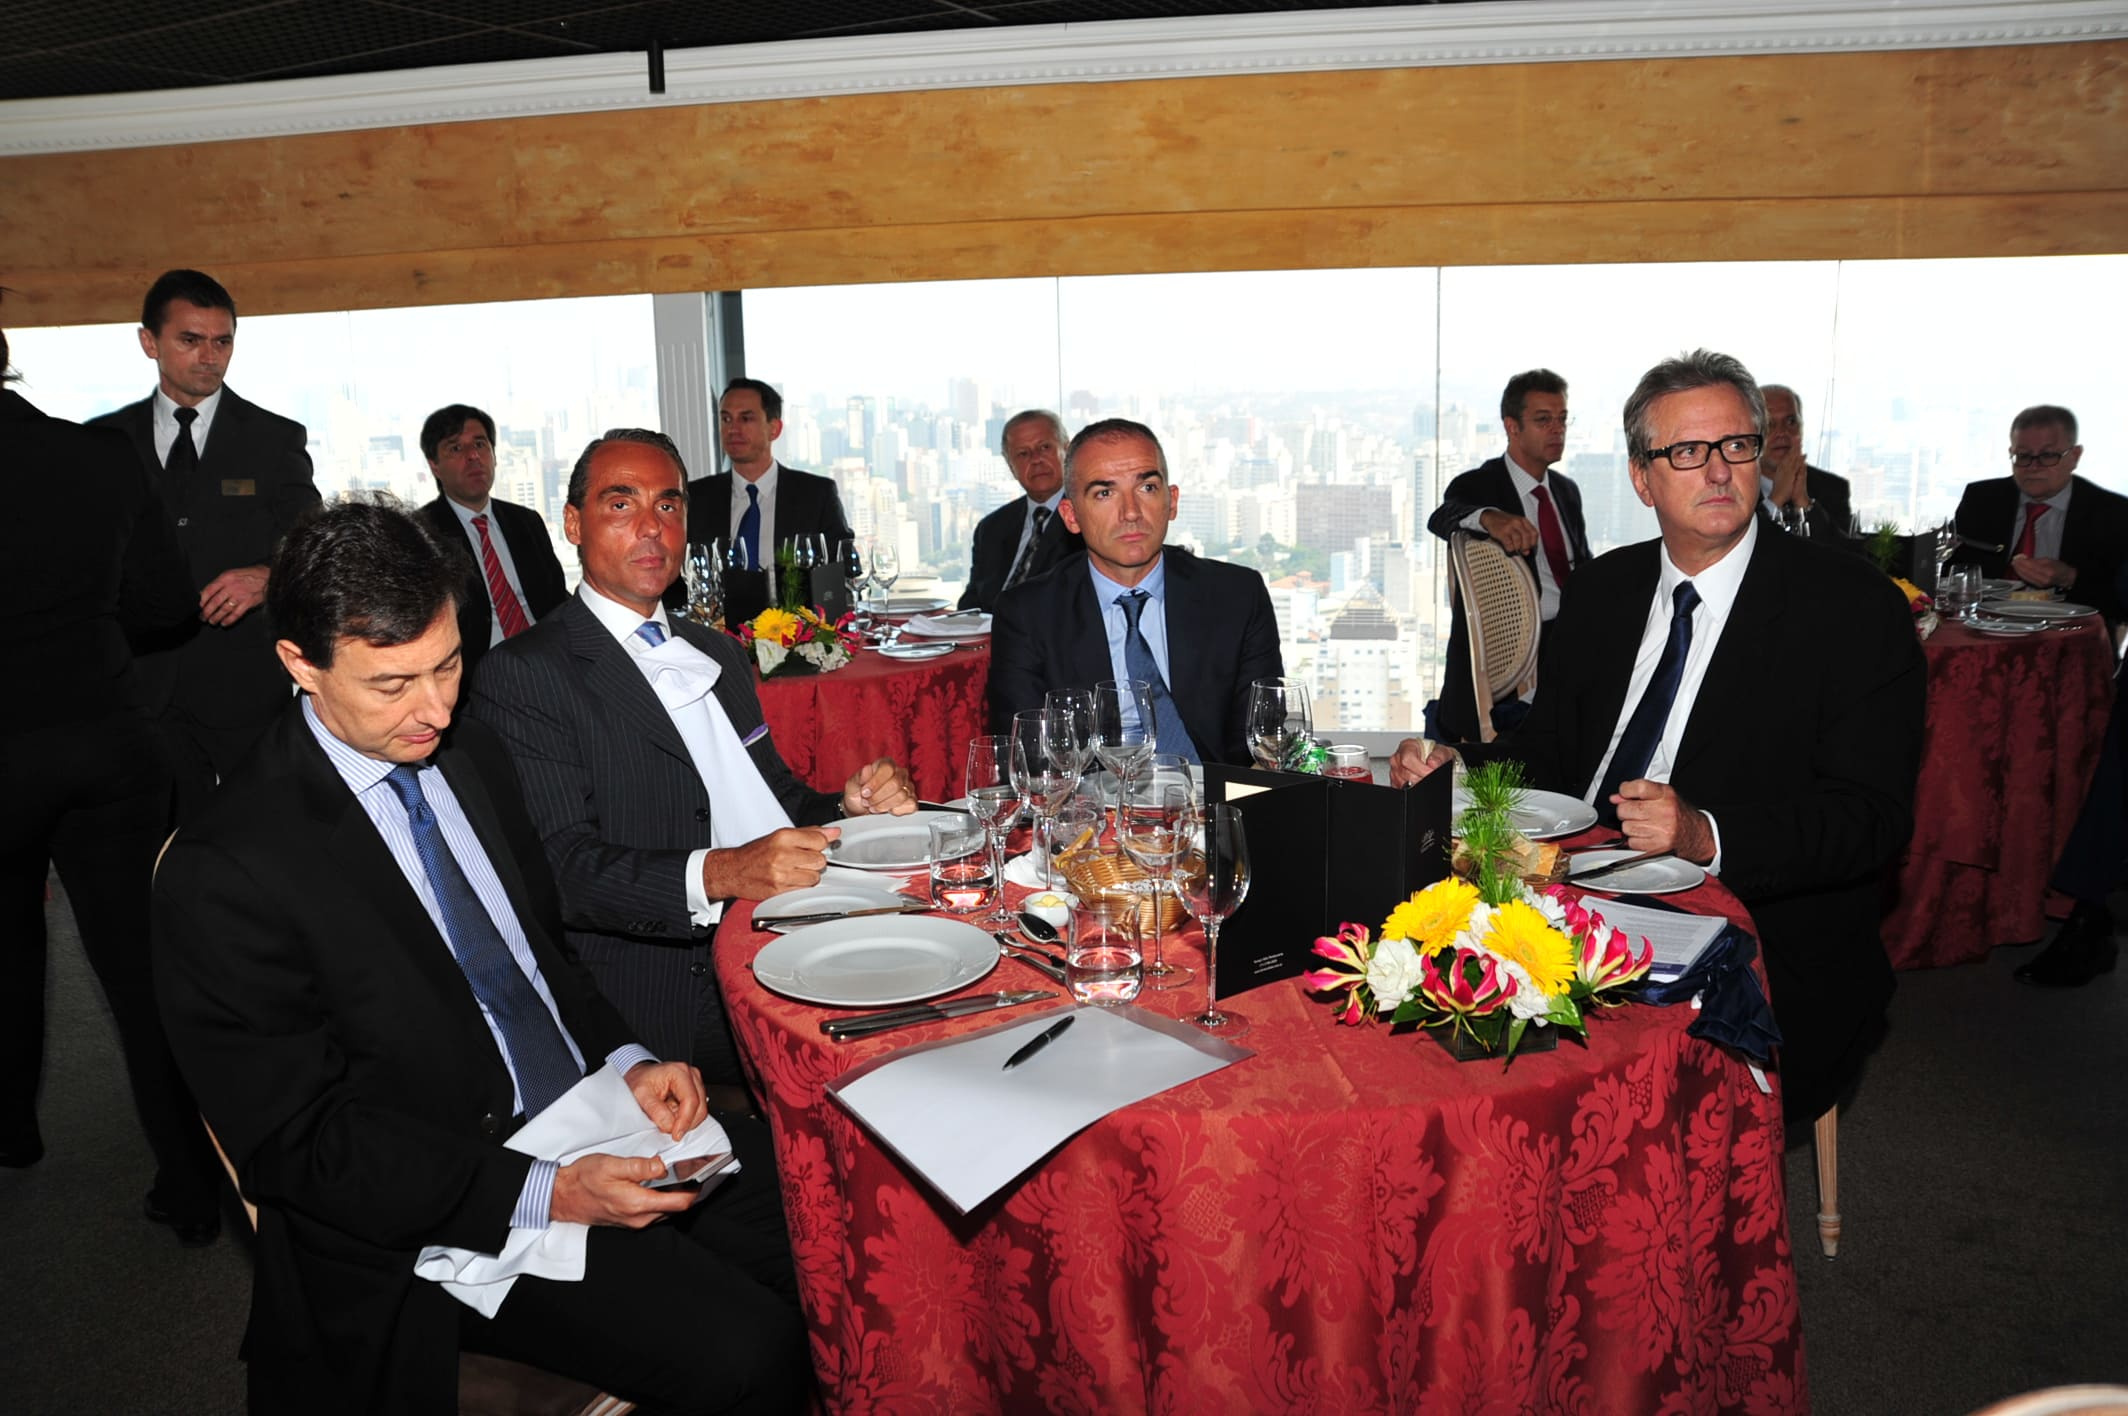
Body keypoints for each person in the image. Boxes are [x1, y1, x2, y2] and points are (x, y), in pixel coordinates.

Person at [153, 499, 807, 1415]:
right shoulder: (229, 866)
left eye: (450, 664)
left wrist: (629, 1060)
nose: (435, 710)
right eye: (392, 684)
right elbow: (305, 1146)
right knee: (751, 1350)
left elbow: (542, 959)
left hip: (588, 1117)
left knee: (829, 1216)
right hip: (441, 1204)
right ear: (299, 663)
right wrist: (548, 1192)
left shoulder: (471, 753)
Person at [1392, 350, 1926, 1125]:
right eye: (1687, 452)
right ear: (1642, 478)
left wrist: (1704, 833)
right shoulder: (1605, 590)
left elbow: (1870, 818)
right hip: (1564, 889)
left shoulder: (1851, 609)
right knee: (1414, 1011)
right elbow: (1553, 752)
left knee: (1570, 1090)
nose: (1718, 470)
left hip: (1750, 925)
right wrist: (1461, 763)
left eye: (1736, 445)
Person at [467, 430, 915, 1086]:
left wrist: (850, 807)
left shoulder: (718, 651)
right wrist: (725, 873)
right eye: (622, 504)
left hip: (785, 928)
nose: (651, 527)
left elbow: (776, 799)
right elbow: (564, 869)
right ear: (574, 524)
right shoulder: (527, 672)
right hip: (670, 982)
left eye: (669, 505)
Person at [1, 318, 225, 1241]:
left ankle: (12, 1129)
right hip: (107, 738)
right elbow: (166, 605)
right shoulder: (97, 455)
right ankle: (194, 1185)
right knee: (141, 972)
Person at [89, 269, 322, 821]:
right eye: (190, 340)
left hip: (243, 683)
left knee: (267, 832)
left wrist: (267, 576)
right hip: (138, 684)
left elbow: (313, 542)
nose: (209, 357)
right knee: (163, 845)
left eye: (222, 342)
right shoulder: (101, 441)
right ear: (149, 342)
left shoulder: (274, 438)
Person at [989, 418, 1282, 766]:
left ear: (1172, 502)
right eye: (1105, 493)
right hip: (1090, 798)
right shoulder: (1027, 614)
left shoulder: (1237, 596)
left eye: (1147, 488)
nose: (1130, 512)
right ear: (1071, 516)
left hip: (1213, 792)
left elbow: (1259, 741)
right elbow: (1031, 759)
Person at [1425, 370, 1592, 742]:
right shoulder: (1480, 484)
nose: (1557, 430)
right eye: (1544, 420)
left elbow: (1583, 565)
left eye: (1562, 419)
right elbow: (1441, 517)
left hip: (1573, 630)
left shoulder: (1566, 491)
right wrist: (1488, 517)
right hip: (1518, 640)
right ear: (1512, 427)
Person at [414, 403, 568, 680]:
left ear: (494, 455)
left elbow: (557, 599)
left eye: (480, 444)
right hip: (476, 673)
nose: (473, 456)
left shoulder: (526, 521)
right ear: (434, 465)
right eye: (456, 448)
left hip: (548, 658)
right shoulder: (422, 535)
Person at [1946, 404, 2128, 630]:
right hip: (1983, 630)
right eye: (2023, 456)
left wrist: (2069, 577)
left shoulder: (2112, 512)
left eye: (2048, 455)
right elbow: (1948, 574)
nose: (2033, 467)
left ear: (2075, 456)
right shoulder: (1982, 499)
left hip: (2070, 638)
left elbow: (2120, 603)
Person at [683, 377, 853, 569]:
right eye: (726, 419)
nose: (733, 429)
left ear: (775, 429)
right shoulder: (696, 498)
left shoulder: (816, 495)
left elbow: (845, 568)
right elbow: (677, 572)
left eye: (746, 419)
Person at [957, 409, 1082, 610]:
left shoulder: (1087, 519)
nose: (1036, 459)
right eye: (1023, 454)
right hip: (989, 628)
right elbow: (971, 601)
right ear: (1010, 465)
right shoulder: (991, 528)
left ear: (1067, 450)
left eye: (1045, 447)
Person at [1757, 384, 1852, 536]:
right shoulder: (1735, 488)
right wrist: (1775, 500)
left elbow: (1843, 549)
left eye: (1791, 422)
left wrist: (1805, 504)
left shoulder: (1833, 488)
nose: (1782, 432)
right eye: (1769, 424)